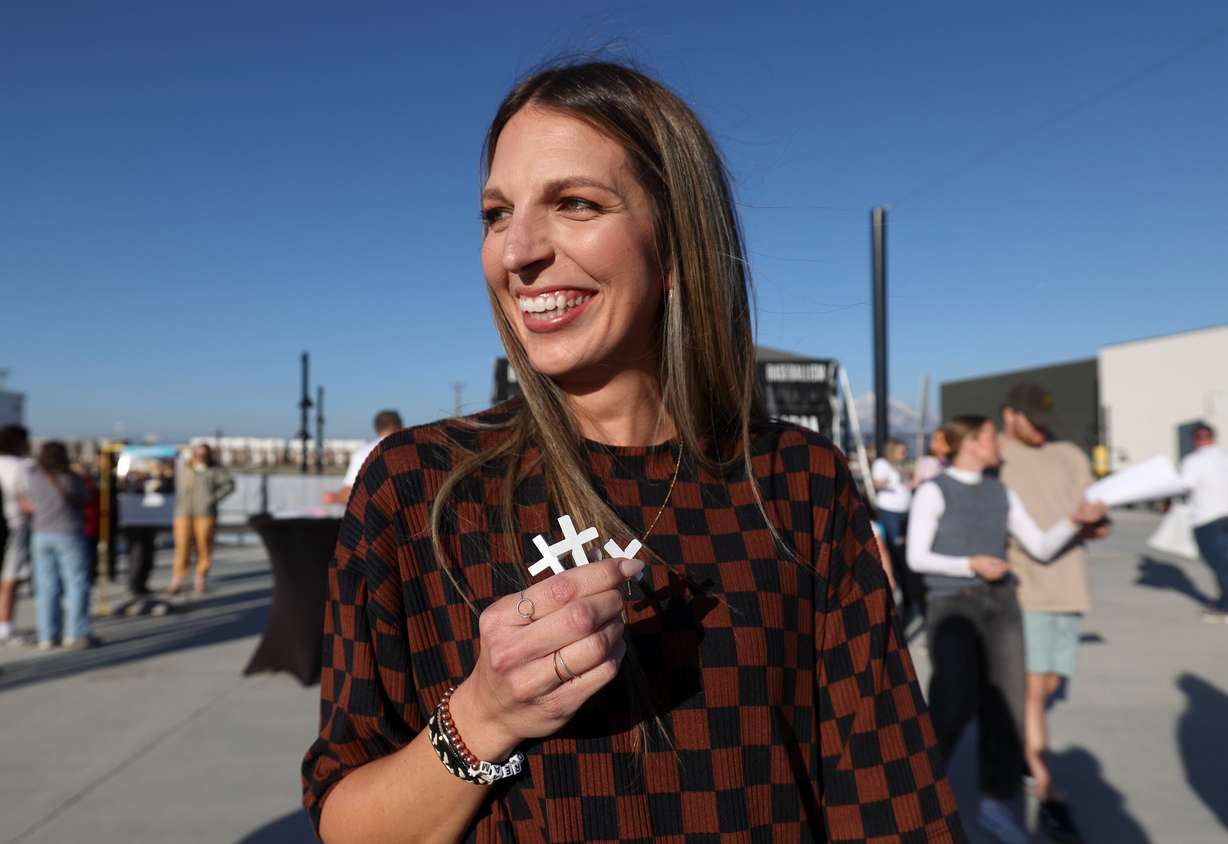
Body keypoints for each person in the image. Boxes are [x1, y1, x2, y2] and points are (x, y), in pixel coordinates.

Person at [302, 61, 964, 842]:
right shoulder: (417, 488)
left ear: (677, 243)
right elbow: (349, 824)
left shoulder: (798, 483)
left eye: (575, 203)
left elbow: (893, 803)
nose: (517, 252)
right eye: (495, 213)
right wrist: (484, 715)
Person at [907, 415, 1104, 844]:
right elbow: (916, 558)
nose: (999, 444)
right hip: (954, 607)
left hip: (1002, 607)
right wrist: (970, 564)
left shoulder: (1001, 492)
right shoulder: (933, 491)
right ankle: (914, 803)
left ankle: (996, 804)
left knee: (1007, 707)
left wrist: (1075, 520)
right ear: (974, 443)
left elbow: (1040, 546)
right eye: (992, 437)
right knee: (951, 706)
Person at [999, 382, 1110, 843]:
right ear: (1009, 415)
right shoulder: (995, 454)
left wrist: (1096, 523)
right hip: (1027, 588)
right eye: (1030, 418)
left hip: (1071, 588)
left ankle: (1024, 755)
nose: (1039, 426)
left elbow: (1095, 526)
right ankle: (1046, 790)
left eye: (1043, 417)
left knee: (1046, 687)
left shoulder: (1071, 455)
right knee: (1032, 690)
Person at [22, 440, 95, 650]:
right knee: (76, 583)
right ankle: (75, 633)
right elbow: (85, 498)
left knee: (46, 587)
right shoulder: (71, 478)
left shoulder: (34, 478)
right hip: (69, 532)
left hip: (41, 534)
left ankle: (47, 634)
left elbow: (26, 502)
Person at [167, 443, 235, 595]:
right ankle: (177, 578)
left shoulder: (214, 470)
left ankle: (200, 577)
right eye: (197, 454)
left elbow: (229, 485)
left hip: (205, 513)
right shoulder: (185, 468)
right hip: (183, 512)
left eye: (203, 454)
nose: (200, 457)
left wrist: (212, 498)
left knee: (204, 546)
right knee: (181, 546)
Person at [1179, 421, 1228, 622]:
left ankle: (1226, 608)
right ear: (1213, 438)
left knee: (1220, 563)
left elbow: (1185, 486)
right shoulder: (1224, 456)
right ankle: (1223, 599)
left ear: (1194, 440)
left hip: (1207, 517)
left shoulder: (1193, 461)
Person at [872, 437, 922, 622]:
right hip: (889, 512)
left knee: (904, 549)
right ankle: (897, 585)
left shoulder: (900, 466)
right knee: (893, 550)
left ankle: (909, 592)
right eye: (901, 450)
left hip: (904, 512)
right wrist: (893, 481)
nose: (904, 454)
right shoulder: (882, 464)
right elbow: (877, 483)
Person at [323, 410, 403, 504]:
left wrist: (335, 497)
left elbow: (350, 493)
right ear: (400, 426)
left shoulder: (364, 453)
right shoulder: (415, 449)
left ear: (377, 428)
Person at [0, 425, 33, 645]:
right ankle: (5, 625)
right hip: (14, 523)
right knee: (10, 578)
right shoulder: (22, 467)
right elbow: (28, 500)